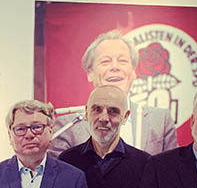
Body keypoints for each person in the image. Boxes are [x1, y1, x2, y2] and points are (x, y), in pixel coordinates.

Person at [50, 29, 178, 155]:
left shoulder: (160, 120)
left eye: (123, 61)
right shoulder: (67, 127)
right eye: (105, 61)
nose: (115, 67)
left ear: (133, 72)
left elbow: (171, 171)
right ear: (90, 73)